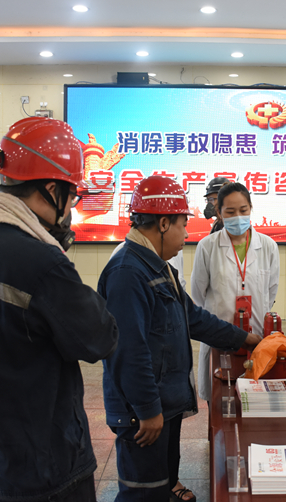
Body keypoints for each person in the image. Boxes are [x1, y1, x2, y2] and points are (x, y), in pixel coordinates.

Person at [0, 116, 119, 502]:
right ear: (52, 189)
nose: (71, 207)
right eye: (72, 196)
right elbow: (99, 338)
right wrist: (59, 261)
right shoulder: (41, 262)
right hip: (43, 472)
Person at [99, 175, 261, 502]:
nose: (186, 234)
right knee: (141, 493)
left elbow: (194, 318)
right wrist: (147, 410)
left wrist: (246, 340)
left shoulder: (157, 267)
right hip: (142, 412)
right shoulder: (128, 273)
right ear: (163, 224)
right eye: (182, 225)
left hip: (164, 402)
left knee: (161, 484)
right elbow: (128, 352)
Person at [191, 182, 280, 402]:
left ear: (251, 208)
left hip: (256, 338)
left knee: (255, 401)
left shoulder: (268, 246)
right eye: (230, 212)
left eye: (243, 210)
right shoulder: (207, 246)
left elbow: (271, 292)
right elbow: (198, 294)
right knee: (219, 403)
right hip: (219, 336)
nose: (238, 217)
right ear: (219, 212)